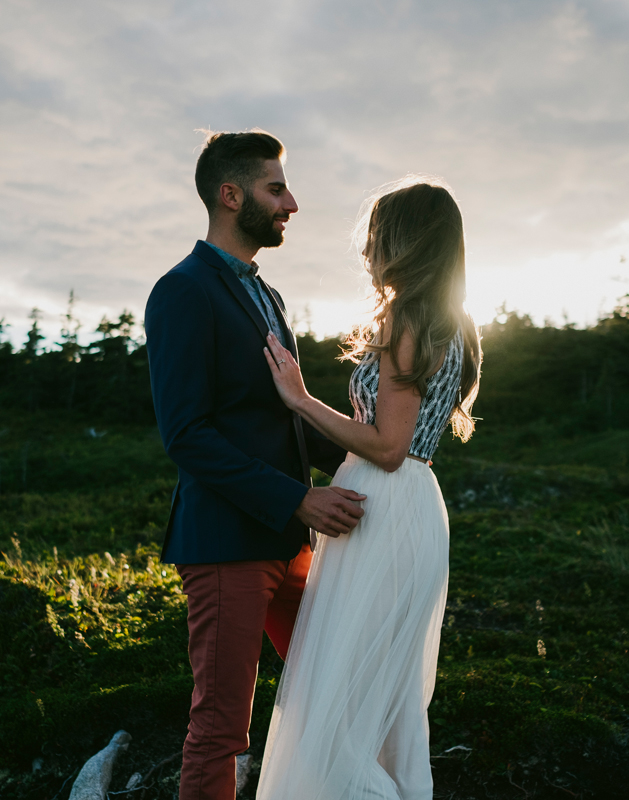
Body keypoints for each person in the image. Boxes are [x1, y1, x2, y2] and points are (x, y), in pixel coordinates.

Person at [143, 129, 367, 800]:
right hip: (225, 544)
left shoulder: (266, 298)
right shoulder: (183, 291)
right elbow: (187, 435)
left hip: (288, 542)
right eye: (277, 189)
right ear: (229, 194)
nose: (291, 203)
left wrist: (381, 453)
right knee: (220, 728)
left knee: (333, 693)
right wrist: (297, 500)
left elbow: (283, 416)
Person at [255, 178, 483, 800]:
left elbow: (385, 446)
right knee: (386, 700)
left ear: (406, 240)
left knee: (342, 702)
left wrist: (299, 400)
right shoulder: (450, 319)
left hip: (385, 507)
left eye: (378, 234)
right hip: (408, 507)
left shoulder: (412, 317)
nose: (368, 248)